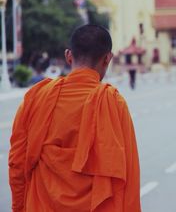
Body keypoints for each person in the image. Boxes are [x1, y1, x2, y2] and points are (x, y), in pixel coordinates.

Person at [9, 25, 141, 212]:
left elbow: (17, 163)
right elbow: (129, 172)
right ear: (107, 59)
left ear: (68, 56)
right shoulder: (113, 102)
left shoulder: (36, 98)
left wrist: (19, 208)